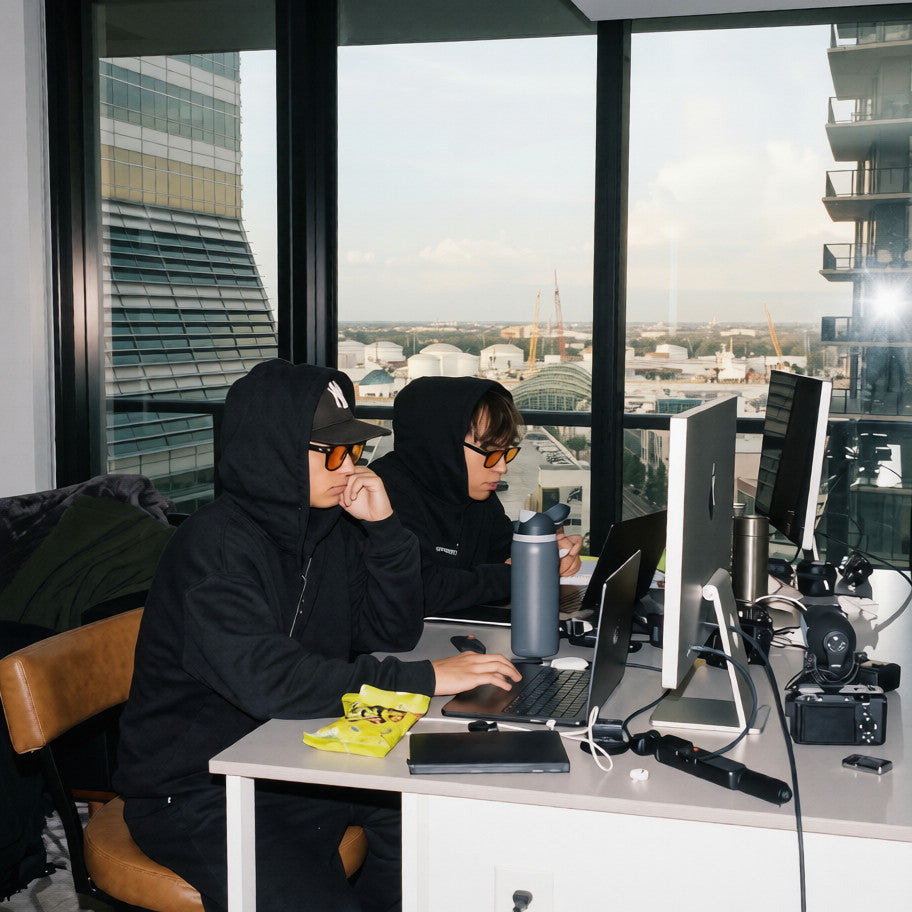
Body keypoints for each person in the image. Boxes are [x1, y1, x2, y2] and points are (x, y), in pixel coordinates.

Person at [114, 360, 519, 912]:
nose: (347, 465)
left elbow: (391, 631)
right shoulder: (215, 549)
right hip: (194, 785)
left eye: (352, 450)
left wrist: (383, 530)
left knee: (439, 834)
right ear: (273, 450)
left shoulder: (326, 528)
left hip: (288, 758)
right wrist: (425, 680)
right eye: (330, 451)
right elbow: (270, 680)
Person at [371, 377, 582, 616]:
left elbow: (502, 551)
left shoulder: (474, 491)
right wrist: (522, 572)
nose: (502, 468)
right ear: (441, 444)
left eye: (506, 453)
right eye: (490, 453)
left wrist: (545, 552)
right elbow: (420, 589)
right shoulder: (380, 494)